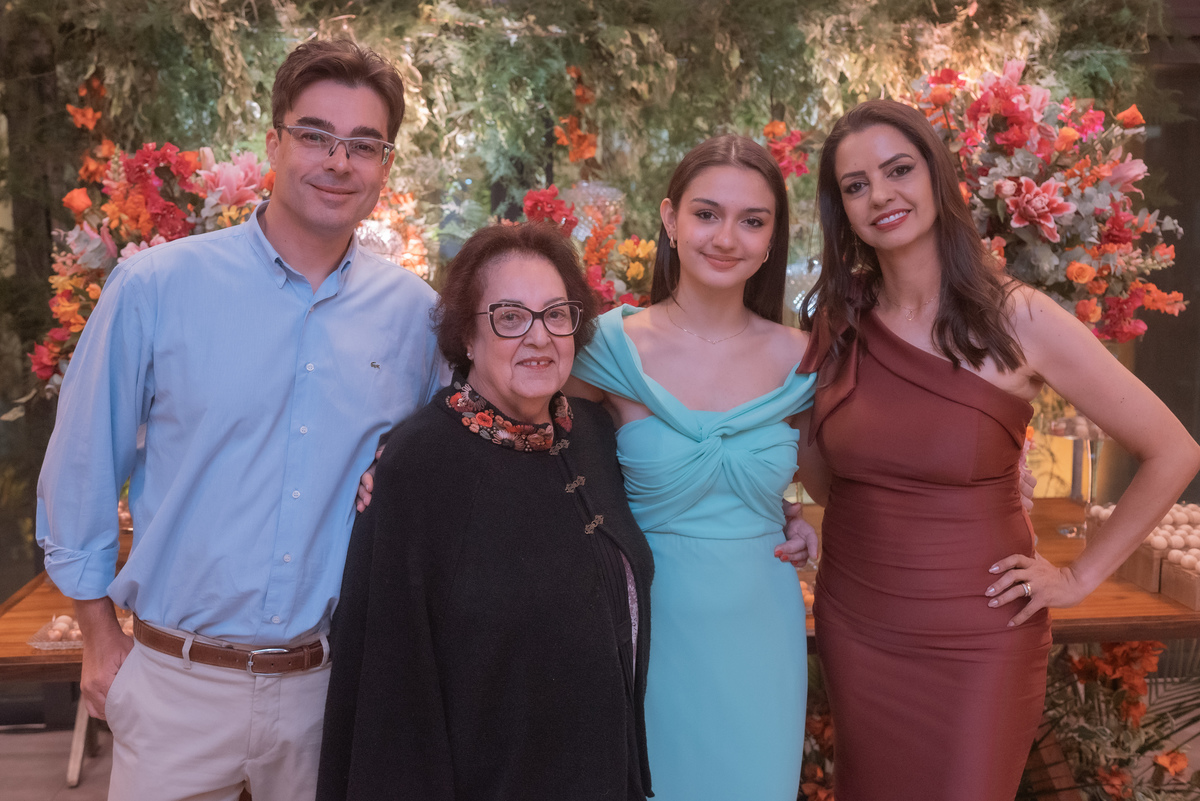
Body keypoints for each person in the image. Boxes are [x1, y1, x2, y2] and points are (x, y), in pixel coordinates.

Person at [35, 40, 445, 801]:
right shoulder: (156, 287)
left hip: (331, 689)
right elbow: (83, 462)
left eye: (364, 145)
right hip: (174, 685)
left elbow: (444, 472)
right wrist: (96, 634)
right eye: (316, 135)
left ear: (385, 166)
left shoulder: (416, 318)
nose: (339, 161)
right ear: (274, 144)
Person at [795, 98, 1200, 801]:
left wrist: (1078, 578)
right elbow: (827, 478)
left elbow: (1173, 450)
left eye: (898, 170)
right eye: (856, 185)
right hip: (857, 624)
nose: (880, 195)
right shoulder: (837, 321)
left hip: (980, 636)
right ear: (841, 210)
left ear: (937, 176)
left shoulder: (1020, 317)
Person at [316, 222, 653, 801]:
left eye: (555, 315)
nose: (539, 337)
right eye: (510, 317)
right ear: (466, 337)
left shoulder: (593, 436)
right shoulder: (418, 466)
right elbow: (389, 690)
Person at [567, 135, 816, 801]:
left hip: (761, 628)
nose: (726, 238)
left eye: (752, 220)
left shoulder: (807, 360)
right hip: (645, 623)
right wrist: (399, 457)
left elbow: (844, 477)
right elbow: (527, 446)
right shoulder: (606, 348)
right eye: (707, 214)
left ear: (772, 239)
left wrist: (808, 518)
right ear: (670, 219)